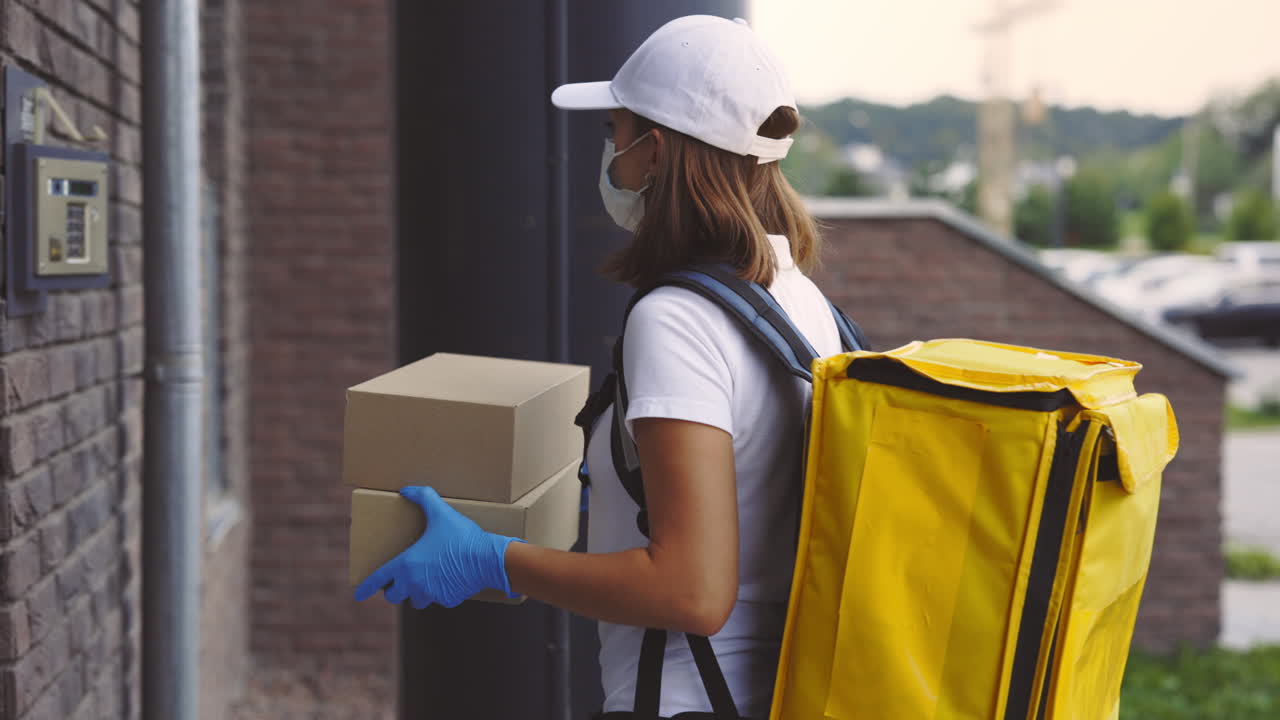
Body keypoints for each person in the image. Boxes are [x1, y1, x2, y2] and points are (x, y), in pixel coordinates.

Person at [355, 15, 842, 719]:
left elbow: (691, 591)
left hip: (686, 701)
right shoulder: (800, 300)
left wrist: (493, 559)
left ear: (658, 150)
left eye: (615, 131)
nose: (609, 153)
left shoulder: (677, 320)